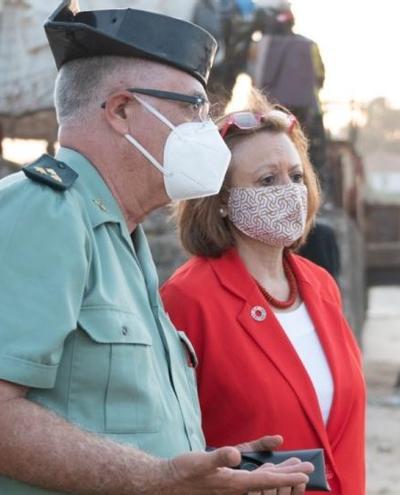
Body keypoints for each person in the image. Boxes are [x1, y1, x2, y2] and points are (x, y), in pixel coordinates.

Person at [0, 2, 312, 493]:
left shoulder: (122, 234)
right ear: (122, 110)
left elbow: (111, 417)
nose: (206, 130)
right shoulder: (45, 212)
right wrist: (159, 478)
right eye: (192, 110)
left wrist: (213, 467)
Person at [161, 91, 365, 495]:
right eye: (267, 179)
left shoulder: (320, 285)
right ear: (220, 200)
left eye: (295, 176)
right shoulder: (187, 299)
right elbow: (165, 441)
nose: (289, 191)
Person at [251, 8, 327, 175]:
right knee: (314, 157)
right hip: (308, 109)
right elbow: (320, 76)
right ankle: (318, 192)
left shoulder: (264, 45)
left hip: (274, 110)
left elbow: (257, 79)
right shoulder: (309, 44)